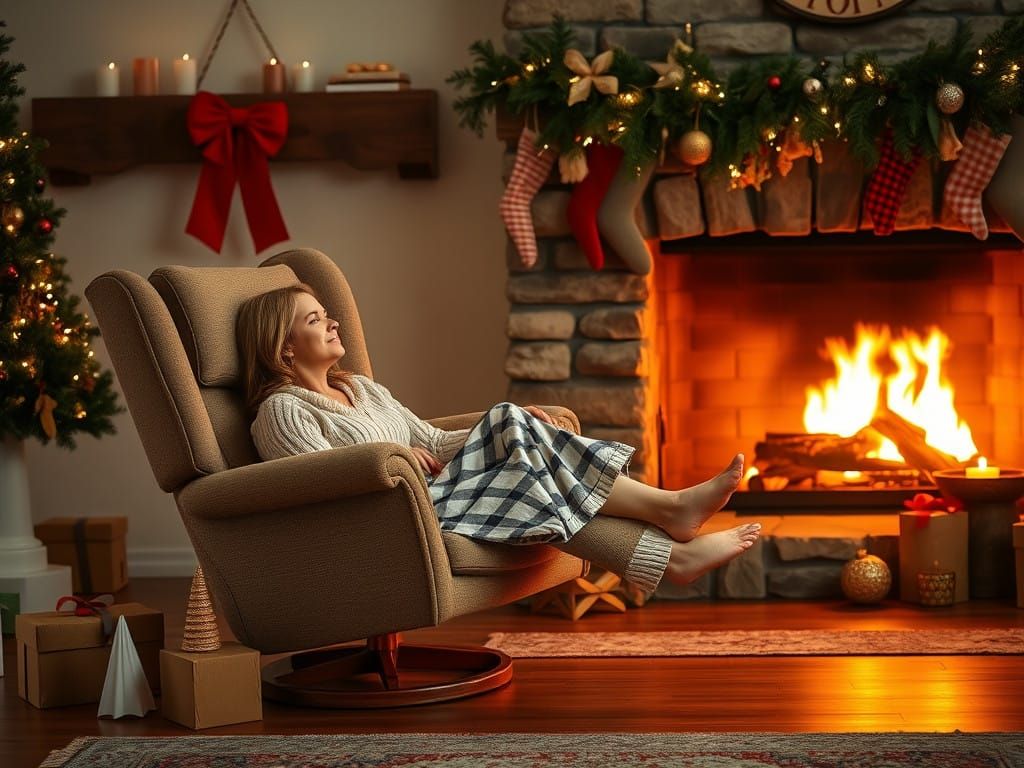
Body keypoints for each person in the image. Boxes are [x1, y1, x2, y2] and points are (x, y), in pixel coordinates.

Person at [236, 283, 760, 595]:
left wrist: (514, 428)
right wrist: (393, 457)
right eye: (314, 319)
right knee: (513, 433)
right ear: (284, 351)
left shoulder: (362, 389)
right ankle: (669, 514)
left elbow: (432, 440)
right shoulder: (284, 411)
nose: (330, 322)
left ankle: (673, 548)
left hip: (434, 494)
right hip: (392, 517)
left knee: (517, 438)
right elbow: (323, 487)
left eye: (326, 313)